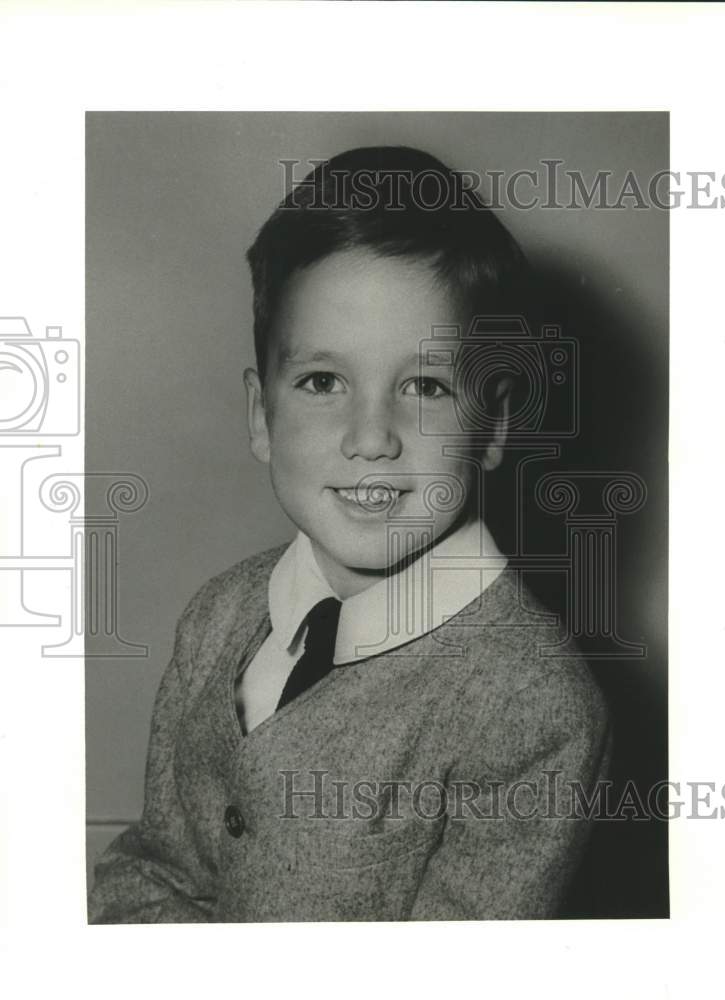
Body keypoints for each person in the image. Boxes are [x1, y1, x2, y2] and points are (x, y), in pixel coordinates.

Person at [89, 145, 611, 922]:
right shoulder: (216, 618)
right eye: (322, 382)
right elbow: (152, 875)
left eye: (425, 386)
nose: (372, 437)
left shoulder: (531, 707)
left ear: (492, 423)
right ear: (262, 415)